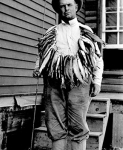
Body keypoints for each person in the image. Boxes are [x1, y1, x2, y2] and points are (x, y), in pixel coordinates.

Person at [33, 0, 104, 150]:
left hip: (80, 83)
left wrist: (97, 81)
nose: (66, 9)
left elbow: (97, 59)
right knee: (55, 124)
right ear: (59, 9)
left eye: (69, 5)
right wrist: (37, 68)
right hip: (54, 82)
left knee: (77, 125)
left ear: (77, 6)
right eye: (62, 6)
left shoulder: (86, 31)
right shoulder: (52, 31)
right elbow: (43, 53)